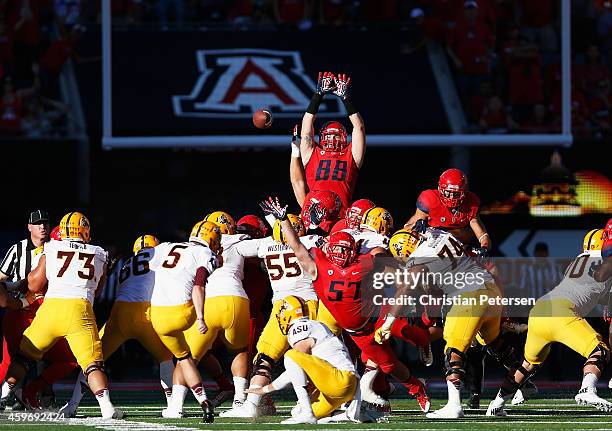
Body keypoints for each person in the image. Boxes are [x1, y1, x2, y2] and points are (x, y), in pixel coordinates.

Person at [260, 197, 431, 413]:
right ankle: (416, 387)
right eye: (337, 249)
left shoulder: (365, 261)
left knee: (408, 325)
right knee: (388, 364)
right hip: (358, 330)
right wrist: (283, 220)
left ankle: (420, 342)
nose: (340, 254)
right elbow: (296, 246)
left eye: (345, 250)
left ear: (354, 251)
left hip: (376, 314)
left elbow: (394, 269)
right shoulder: (319, 266)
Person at [0, 212, 123, 419]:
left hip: (51, 309)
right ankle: (107, 407)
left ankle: (4, 393)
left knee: (24, 357)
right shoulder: (99, 253)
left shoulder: (52, 247)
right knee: (92, 364)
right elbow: (98, 292)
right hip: (80, 310)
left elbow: (34, 284)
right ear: (85, 231)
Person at [486, 228, 612, 415]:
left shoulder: (576, 262)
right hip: (562, 311)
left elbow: (588, 289)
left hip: (540, 309)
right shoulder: (606, 262)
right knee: (599, 349)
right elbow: (600, 291)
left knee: (527, 364)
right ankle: (588, 389)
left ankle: (496, 404)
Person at [221, 214, 330, 418]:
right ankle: (315, 401)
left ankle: (252, 403)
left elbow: (236, 247)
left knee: (265, 356)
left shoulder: (265, 245)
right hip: (310, 304)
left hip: (282, 306)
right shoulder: (308, 241)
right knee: (314, 357)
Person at [59, 235, 175, 417]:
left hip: (119, 313)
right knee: (166, 357)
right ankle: (173, 405)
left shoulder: (128, 262)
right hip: (145, 314)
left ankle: (72, 405)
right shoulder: (157, 257)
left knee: (92, 360)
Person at [149, 220, 221, 423]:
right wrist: (200, 317)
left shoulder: (165, 247)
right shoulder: (204, 253)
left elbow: (148, 269)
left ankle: (197, 402)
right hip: (182, 312)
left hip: (158, 317)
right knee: (186, 358)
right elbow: (199, 286)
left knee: (183, 358)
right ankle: (205, 403)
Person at [245, 296, 358, 424]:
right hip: (347, 386)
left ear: (289, 313)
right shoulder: (316, 324)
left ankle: (307, 412)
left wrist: (265, 389)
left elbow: (295, 367)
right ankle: (337, 414)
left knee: (291, 355)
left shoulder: (298, 328)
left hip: (338, 381)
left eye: (282, 312)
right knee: (296, 413)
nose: (280, 316)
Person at [289, 71, 365, 212]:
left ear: (343, 138)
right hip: (314, 216)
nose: (332, 139)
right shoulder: (312, 153)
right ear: (321, 137)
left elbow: (359, 127)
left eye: (336, 136)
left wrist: (345, 99)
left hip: (341, 218)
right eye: (329, 136)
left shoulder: (351, 155)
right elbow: (306, 124)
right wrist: (318, 95)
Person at [404, 168, 490, 252]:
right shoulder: (430, 199)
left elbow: (482, 234)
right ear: (440, 189)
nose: (452, 197)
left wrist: (484, 247)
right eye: (448, 193)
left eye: (456, 194)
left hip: (460, 248)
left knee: (491, 266)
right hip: (432, 245)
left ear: (464, 192)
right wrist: (417, 224)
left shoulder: (471, 202)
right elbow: (406, 229)